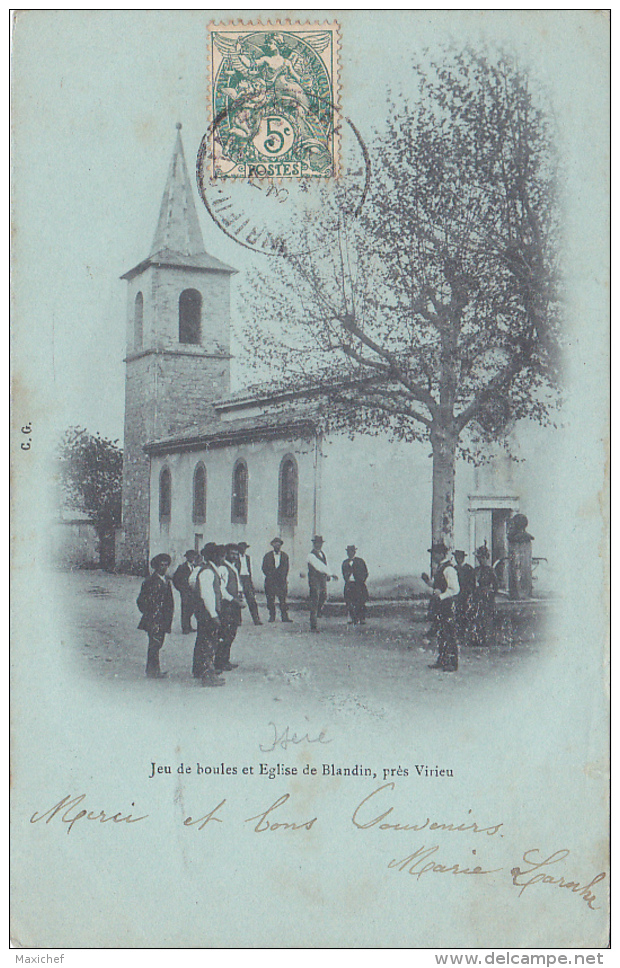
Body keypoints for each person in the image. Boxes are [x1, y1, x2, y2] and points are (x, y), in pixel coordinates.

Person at [192, 543, 225, 687]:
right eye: (221, 556)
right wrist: (214, 615)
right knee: (209, 644)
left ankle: (200, 671)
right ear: (215, 556)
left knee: (203, 641)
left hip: (204, 612)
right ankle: (208, 676)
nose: (223, 559)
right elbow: (207, 595)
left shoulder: (208, 570)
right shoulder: (208, 572)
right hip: (207, 613)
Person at [137, 553, 174, 679]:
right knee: (154, 644)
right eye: (161, 565)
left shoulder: (166, 581)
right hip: (154, 619)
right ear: (156, 566)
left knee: (158, 644)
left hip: (163, 618)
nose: (163, 568)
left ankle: (154, 669)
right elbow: (141, 601)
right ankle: (152, 671)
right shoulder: (149, 581)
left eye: (165, 565)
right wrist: (150, 614)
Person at [426, 542, 460, 673]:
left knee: (449, 633)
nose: (433, 556)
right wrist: (429, 583)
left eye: (434, 553)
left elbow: (455, 589)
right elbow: (438, 585)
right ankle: (442, 659)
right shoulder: (441, 568)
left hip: (447, 604)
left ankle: (452, 662)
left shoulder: (449, 569)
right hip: (440, 605)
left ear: (441, 554)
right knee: (441, 633)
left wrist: (441, 596)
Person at [215, 544, 244, 671]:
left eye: (236, 554)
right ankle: (219, 662)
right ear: (226, 554)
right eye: (232, 553)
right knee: (225, 633)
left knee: (231, 633)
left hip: (234, 605)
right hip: (227, 606)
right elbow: (221, 589)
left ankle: (225, 660)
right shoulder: (223, 568)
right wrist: (234, 600)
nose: (235, 556)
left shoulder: (234, 567)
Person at [307, 536, 338, 633]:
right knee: (315, 600)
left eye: (320, 543)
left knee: (323, 595)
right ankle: (313, 625)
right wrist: (331, 574)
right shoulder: (311, 555)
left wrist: (327, 576)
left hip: (322, 579)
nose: (319, 545)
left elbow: (325, 565)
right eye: (317, 543)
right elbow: (319, 566)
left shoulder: (322, 554)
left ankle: (318, 611)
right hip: (314, 579)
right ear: (314, 544)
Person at [471, 544, 499, 647]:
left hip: (487, 597)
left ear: (486, 558)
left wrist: (490, 593)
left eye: (482, 558)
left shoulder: (490, 570)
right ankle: (478, 638)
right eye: (479, 558)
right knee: (478, 617)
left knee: (487, 617)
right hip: (478, 595)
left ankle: (488, 639)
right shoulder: (477, 570)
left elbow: (496, 586)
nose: (480, 560)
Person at [262, 538, 292, 622]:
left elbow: (286, 568)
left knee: (283, 599)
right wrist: (270, 575)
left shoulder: (285, 556)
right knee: (270, 599)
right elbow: (264, 568)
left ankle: (284, 617)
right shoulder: (267, 556)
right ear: (272, 545)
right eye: (275, 544)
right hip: (270, 581)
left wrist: (282, 577)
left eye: (279, 544)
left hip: (281, 582)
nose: (277, 546)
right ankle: (272, 616)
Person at [172, 550, 199, 634]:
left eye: (194, 556)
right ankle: (185, 628)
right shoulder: (182, 567)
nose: (193, 558)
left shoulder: (195, 567)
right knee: (185, 609)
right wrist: (181, 589)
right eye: (191, 556)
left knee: (191, 608)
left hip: (193, 592)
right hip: (185, 592)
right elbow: (175, 579)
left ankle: (189, 626)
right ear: (187, 557)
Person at [342, 545, 369, 625]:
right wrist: (347, 580)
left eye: (351, 551)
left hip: (359, 584)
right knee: (350, 602)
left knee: (360, 601)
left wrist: (361, 581)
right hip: (349, 585)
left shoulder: (360, 561)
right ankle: (352, 618)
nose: (350, 553)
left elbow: (365, 572)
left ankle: (361, 618)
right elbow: (344, 573)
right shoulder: (345, 563)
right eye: (348, 552)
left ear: (354, 552)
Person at [236, 542, 262, 625]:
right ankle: (238, 620)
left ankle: (256, 619)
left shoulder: (248, 558)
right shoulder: (235, 558)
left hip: (247, 579)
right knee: (239, 599)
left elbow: (250, 570)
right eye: (241, 548)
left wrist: (251, 583)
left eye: (244, 548)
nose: (243, 550)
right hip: (239, 578)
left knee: (251, 600)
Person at [454, 550, 476, 642]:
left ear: (463, 558)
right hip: (457, 594)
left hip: (465, 594)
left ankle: (464, 631)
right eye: (456, 558)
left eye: (459, 558)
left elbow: (472, 582)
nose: (457, 559)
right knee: (457, 612)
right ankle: (458, 631)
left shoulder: (469, 569)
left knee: (465, 612)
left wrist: (470, 592)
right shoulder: (454, 568)